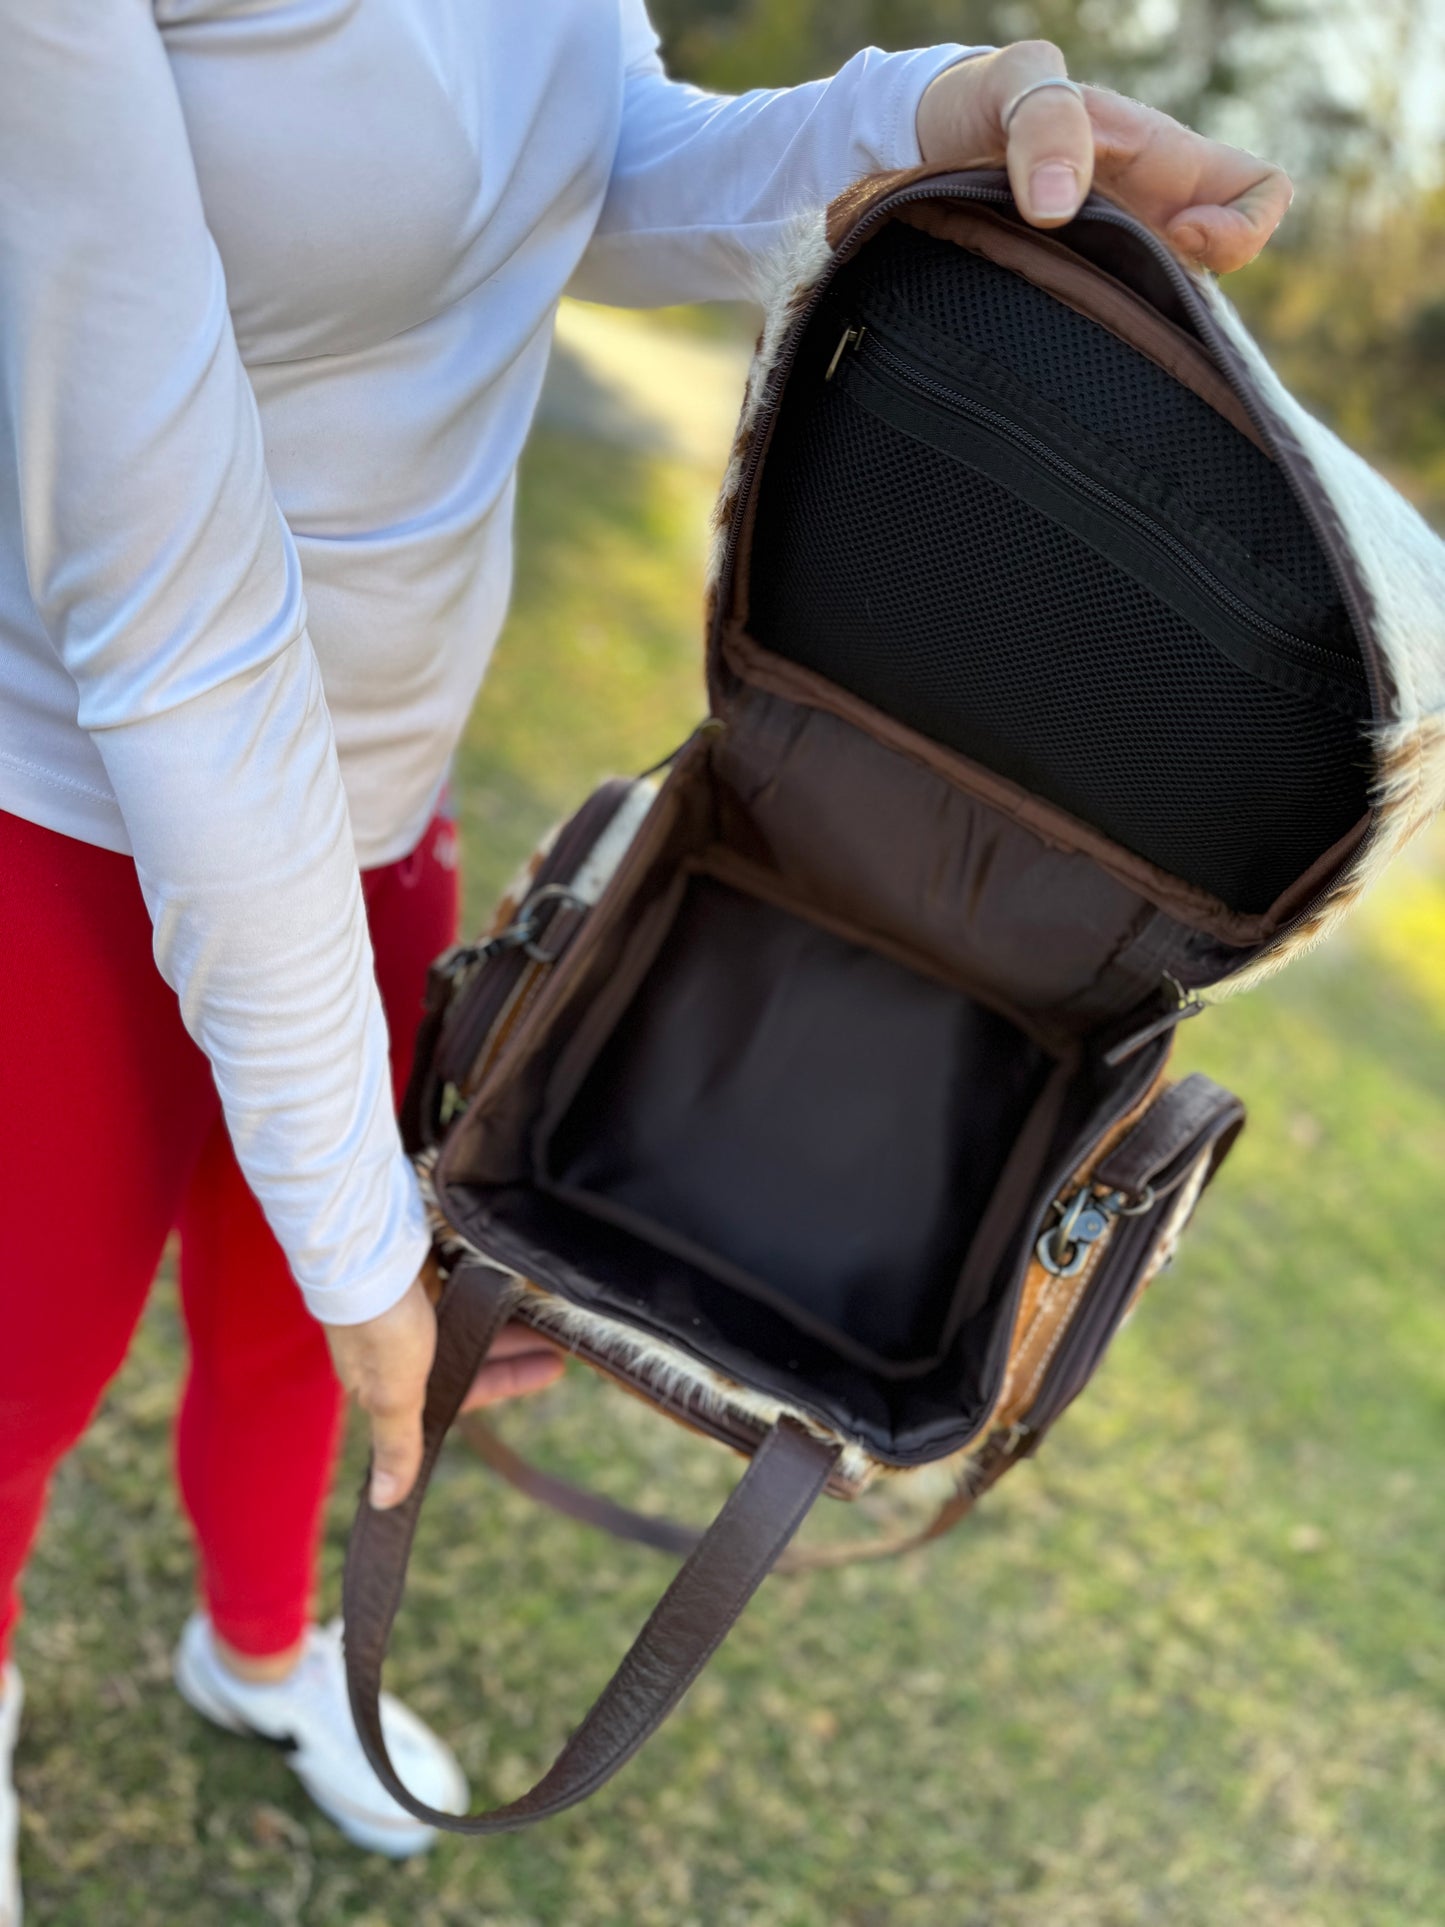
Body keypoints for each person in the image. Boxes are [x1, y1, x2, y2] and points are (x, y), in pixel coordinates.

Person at [0, 0, 1293, 1904]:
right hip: (63, 810)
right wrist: (353, 1221)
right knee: (28, 1369)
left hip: (379, 813)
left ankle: (258, 1646)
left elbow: (585, 155)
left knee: (317, 1347)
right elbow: (175, 622)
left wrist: (920, 113)